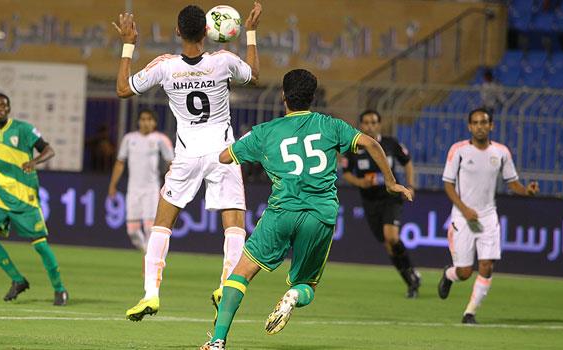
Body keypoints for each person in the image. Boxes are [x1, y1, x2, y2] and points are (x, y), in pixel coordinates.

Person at [200, 69, 413, 350]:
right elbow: (371, 143)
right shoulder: (330, 125)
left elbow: (226, 157)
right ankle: (292, 297)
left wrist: (252, 140)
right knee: (307, 285)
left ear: (283, 96)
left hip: (281, 212)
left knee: (240, 273)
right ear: (313, 98)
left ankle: (217, 341)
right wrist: (391, 182)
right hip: (320, 214)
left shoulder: (266, 131)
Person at [113, 2, 262, 320]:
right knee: (233, 226)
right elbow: (255, 75)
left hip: (186, 155)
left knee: (162, 225)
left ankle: (150, 295)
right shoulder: (224, 61)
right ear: (208, 31)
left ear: (178, 31)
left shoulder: (165, 66)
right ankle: (227, 286)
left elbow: (123, 89)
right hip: (224, 153)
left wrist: (129, 43)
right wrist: (250, 34)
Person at [438, 108, 539, 324]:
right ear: (469, 127)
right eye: (475, 122)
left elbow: (512, 183)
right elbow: (448, 184)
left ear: (491, 125)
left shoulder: (501, 152)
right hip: (463, 217)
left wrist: (526, 191)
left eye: (484, 122)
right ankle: (449, 275)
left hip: (487, 217)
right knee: (465, 272)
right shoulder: (459, 150)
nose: (480, 126)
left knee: (486, 265)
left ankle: (470, 313)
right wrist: (464, 208)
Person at [0, 93, 68, 305]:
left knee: (40, 246)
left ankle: (60, 289)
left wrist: (34, 162)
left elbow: (49, 150)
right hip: (0, 196)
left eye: (3, 105)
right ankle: (18, 280)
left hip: (25, 197)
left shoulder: (24, 129)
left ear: (8, 109)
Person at [342, 109, 420, 298]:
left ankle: (411, 277)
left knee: (391, 236)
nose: (370, 126)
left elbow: (407, 163)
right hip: (370, 201)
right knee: (387, 244)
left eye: (373, 122)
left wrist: (410, 185)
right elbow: (346, 173)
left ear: (379, 124)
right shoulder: (353, 148)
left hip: (390, 197)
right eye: (366, 122)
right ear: (361, 125)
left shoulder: (390, 144)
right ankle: (410, 278)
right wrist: (361, 182)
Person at [107, 109, 174, 252]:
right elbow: (120, 162)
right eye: (143, 119)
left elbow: (171, 162)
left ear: (154, 122)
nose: (145, 123)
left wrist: (170, 184)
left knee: (150, 228)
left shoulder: (160, 139)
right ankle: (147, 252)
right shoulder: (129, 139)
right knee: (132, 231)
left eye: (149, 119)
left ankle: (149, 262)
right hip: (133, 190)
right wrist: (113, 185)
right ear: (138, 121)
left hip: (151, 189)